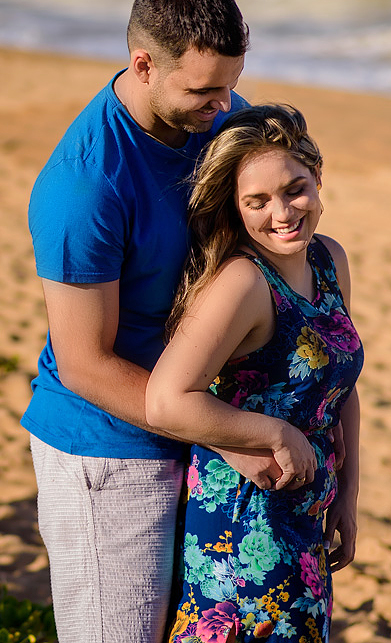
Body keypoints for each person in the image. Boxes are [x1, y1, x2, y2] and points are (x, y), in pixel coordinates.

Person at [23, 0, 271, 643]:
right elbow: (85, 364)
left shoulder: (217, 112)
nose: (225, 108)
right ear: (143, 64)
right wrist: (225, 432)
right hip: (109, 451)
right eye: (203, 91)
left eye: (230, 84)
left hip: (198, 427)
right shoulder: (85, 186)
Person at [145, 103, 362, 642]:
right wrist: (275, 433)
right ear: (237, 209)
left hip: (307, 512)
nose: (283, 213)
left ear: (316, 177)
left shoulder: (329, 260)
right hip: (246, 523)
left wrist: (348, 496)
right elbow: (167, 400)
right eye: (257, 201)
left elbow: (341, 389)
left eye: (295, 189)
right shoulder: (242, 283)